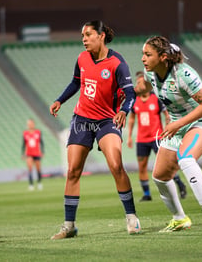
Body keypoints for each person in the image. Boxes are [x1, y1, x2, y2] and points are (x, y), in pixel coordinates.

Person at [49, 20, 141, 239]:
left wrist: (123, 111)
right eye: (82, 35)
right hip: (82, 119)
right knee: (73, 171)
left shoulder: (117, 63)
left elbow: (130, 94)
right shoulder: (81, 58)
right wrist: (60, 100)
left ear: (101, 36)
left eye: (88, 34)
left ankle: (131, 217)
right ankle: (69, 226)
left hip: (107, 121)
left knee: (116, 165)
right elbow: (75, 82)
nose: (84, 39)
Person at [135, 36, 202, 235]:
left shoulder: (184, 74)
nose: (143, 59)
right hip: (178, 126)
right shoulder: (150, 75)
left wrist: (178, 123)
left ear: (163, 57)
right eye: (142, 54)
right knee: (160, 177)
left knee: (186, 158)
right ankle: (180, 218)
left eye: (147, 54)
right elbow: (142, 89)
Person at [127, 71, 187, 202]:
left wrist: (167, 129)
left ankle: (180, 185)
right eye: (137, 83)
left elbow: (166, 115)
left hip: (157, 138)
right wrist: (130, 136)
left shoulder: (156, 98)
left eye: (141, 82)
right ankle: (147, 194)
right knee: (142, 166)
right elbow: (131, 119)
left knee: (166, 165)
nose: (139, 85)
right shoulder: (135, 101)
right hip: (141, 140)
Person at [22, 118, 44, 191]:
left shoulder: (38, 132)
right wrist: (23, 153)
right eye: (29, 124)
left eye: (31, 123)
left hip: (37, 153)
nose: (30, 125)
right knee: (30, 169)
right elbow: (23, 144)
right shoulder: (25, 133)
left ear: (34, 124)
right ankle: (31, 184)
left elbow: (41, 142)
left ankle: (39, 183)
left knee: (38, 169)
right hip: (29, 153)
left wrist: (42, 152)